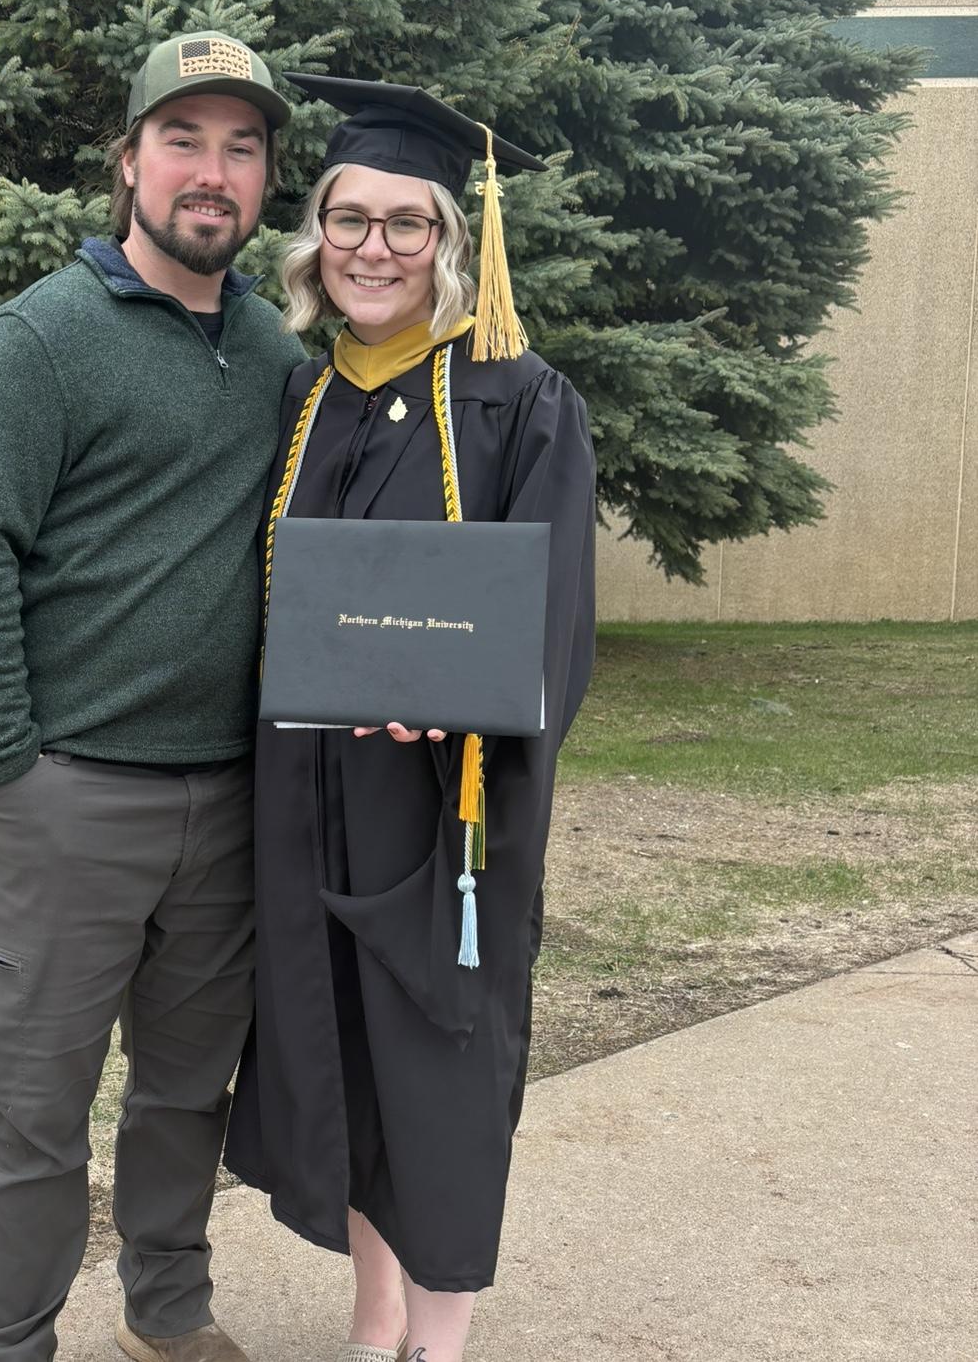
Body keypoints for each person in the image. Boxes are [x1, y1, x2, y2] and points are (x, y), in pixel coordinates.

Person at [0, 33, 306, 1362]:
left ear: (264, 183)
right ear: (129, 163)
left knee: (187, 1091)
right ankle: (8, 1342)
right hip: (70, 797)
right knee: (31, 1104)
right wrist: (9, 762)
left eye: (242, 148)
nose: (213, 172)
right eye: (185, 141)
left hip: (231, 798)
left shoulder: (271, 351)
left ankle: (169, 1310)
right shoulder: (41, 340)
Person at [222, 76, 596, 1362]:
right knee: (341, 1050)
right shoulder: (306, 396)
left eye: (405, 224)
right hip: (305, 800)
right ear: (313, 235)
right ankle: (375, 1321)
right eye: (347, 219)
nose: (371, 248)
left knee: (436, 1062)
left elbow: (550, 615)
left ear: (450, 241)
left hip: (448, 816)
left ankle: (441, 1339)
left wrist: (458, 707)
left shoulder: (518, 398)